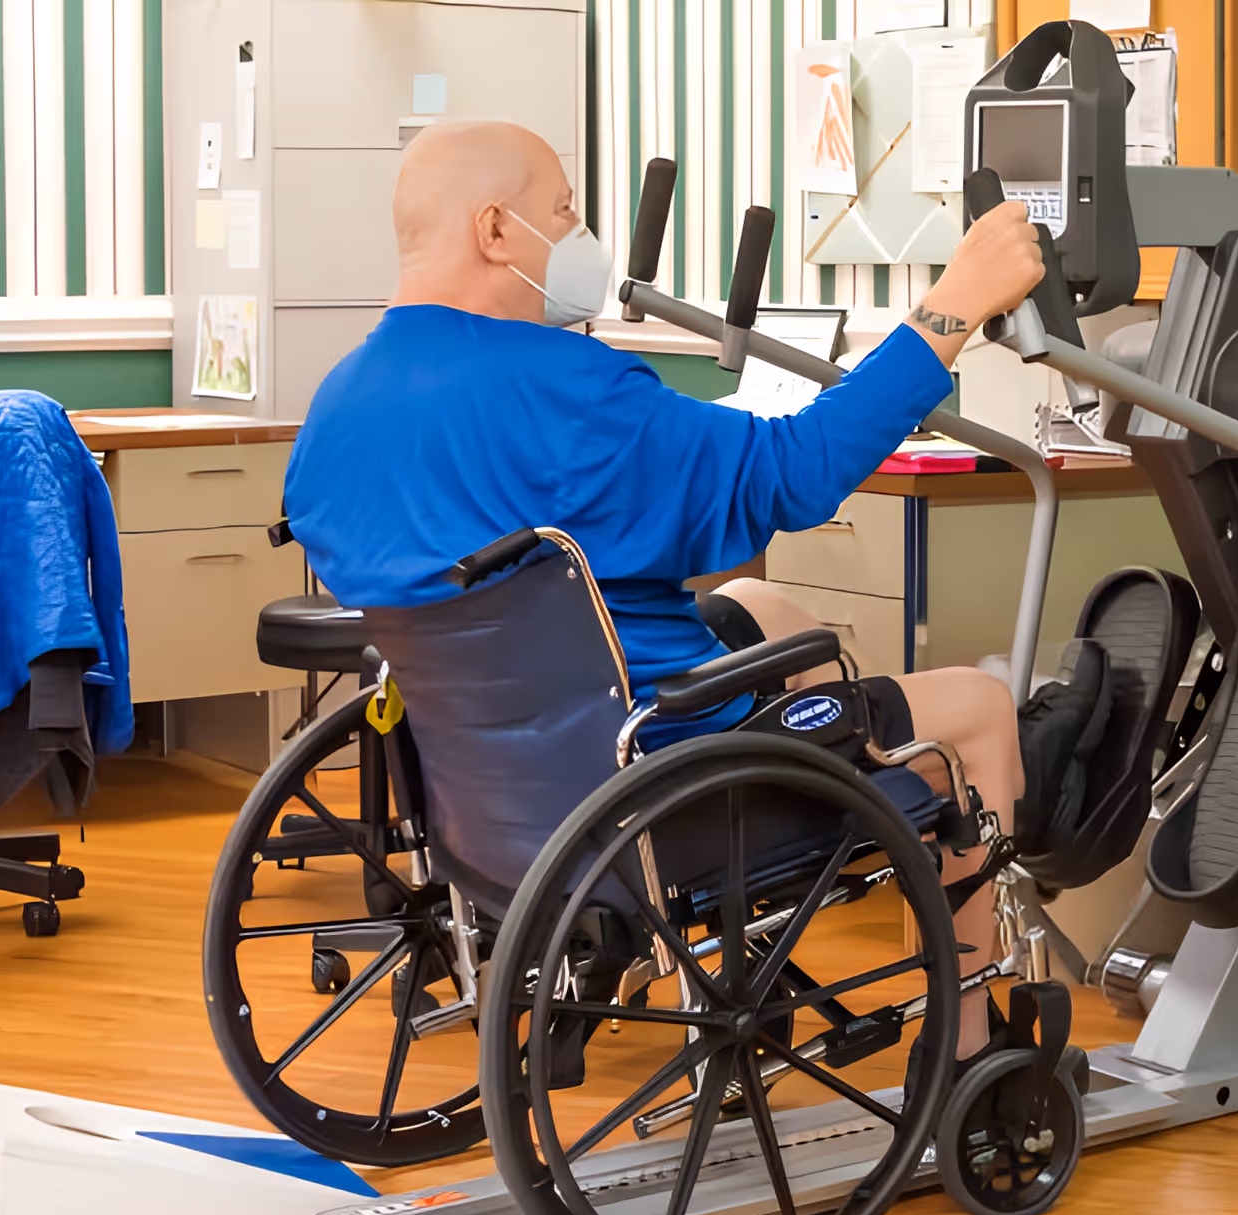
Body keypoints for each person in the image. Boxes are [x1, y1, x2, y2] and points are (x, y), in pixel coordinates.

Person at [285, 120, 1045, 1060]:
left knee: (767, 614)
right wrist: (950, 309)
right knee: (978, 705)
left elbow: (523, 556)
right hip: (652, 775)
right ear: (494, 231)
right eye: (561, 210)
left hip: (494, 796)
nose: (577, 234)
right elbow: (793, 473)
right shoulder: (570, 390)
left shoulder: (338, 408)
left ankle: (758, 948)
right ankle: (972, 1047)